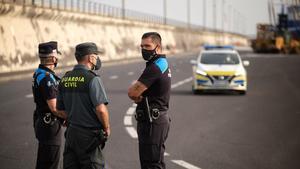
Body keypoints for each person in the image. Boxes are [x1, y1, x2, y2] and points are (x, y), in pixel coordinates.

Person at [56, 42, 110, 169]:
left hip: (71, 134)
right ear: (91, 58)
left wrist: (74, 116)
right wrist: (106, 127)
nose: (97, 59)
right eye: (96, 55)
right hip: (89, 136)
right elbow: (101, 110)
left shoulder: (65, 78)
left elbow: (60, 110)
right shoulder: (92, 79)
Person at [128, 32, 171, 169]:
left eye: (147, 46)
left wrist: (138, 96)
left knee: (153, 164)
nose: (144, 49)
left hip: (154, 121)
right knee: (149, 163)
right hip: (152, 119)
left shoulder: (156, 66)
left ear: (157, 47)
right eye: (142, 46)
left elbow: (132, 92)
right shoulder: (160, 63)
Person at [32, 41, 63, 169]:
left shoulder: (39, 73)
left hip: (42, 122)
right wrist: (69, 117)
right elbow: (55, 108)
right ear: (53, 58)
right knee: (50, 163)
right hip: (50, 126)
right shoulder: (47, 78)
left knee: (43, 162)